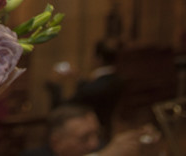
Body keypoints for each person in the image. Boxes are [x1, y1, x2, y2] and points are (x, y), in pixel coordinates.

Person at [48, 39, 124, 141]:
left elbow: (61, 109)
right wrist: (78, 78)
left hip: (81, 136)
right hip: (105, 130)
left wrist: (54, 85)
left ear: (98, 59)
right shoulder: (117, 81)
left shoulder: (92, 89)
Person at [21, 104, 162, 156]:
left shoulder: (101, 147)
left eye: (97, 134)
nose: (94, 144)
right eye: (84, 138)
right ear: (56, 142)